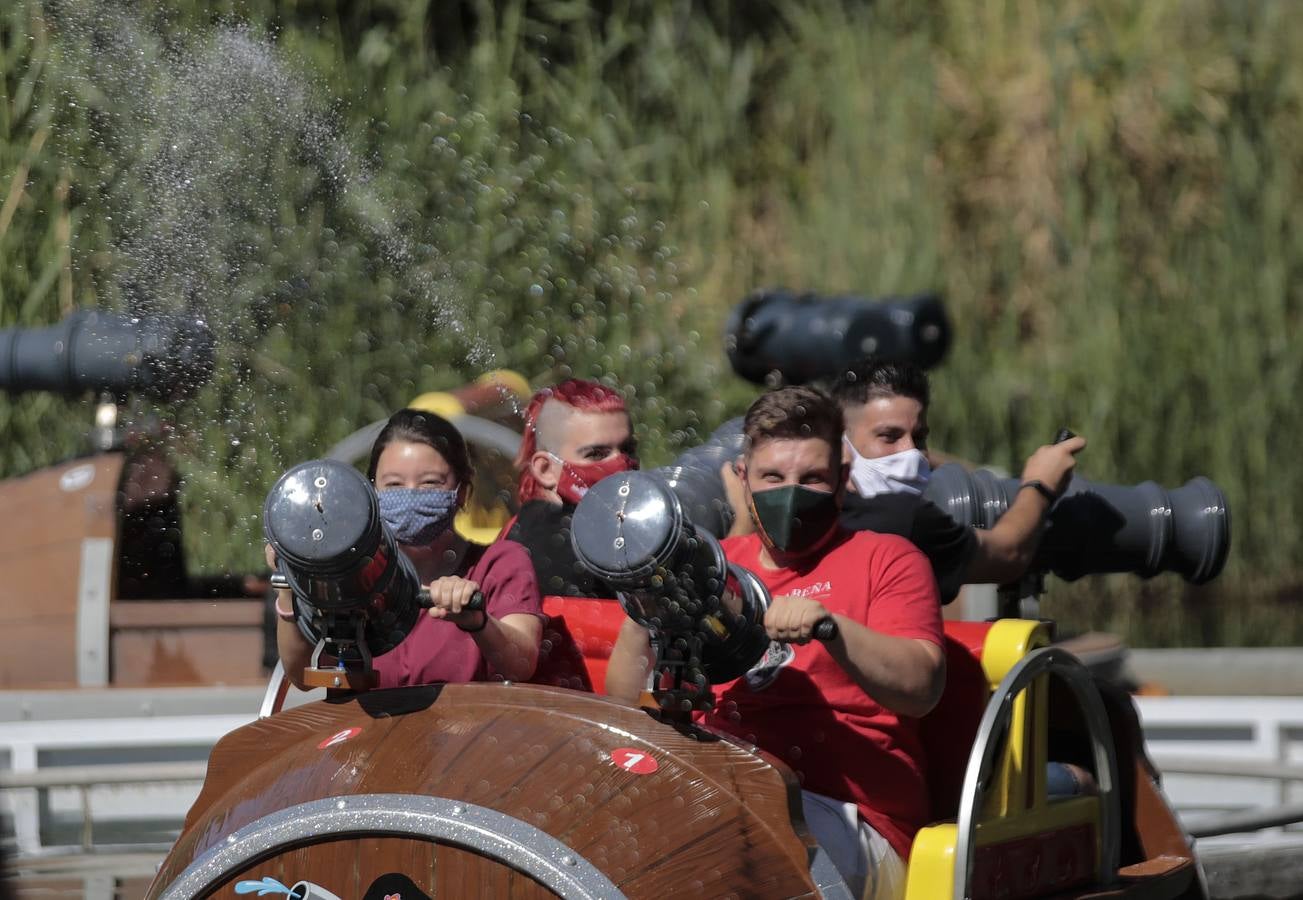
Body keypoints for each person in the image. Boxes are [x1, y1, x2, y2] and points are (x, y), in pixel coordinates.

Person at [607, 386, 944, 900]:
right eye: (772, 477)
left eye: (812, 478)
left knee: (723, 857)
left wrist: (830, 628)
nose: (792, 492)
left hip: (851, 818)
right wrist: (644, 607)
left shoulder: (888, 559)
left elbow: (921, 687)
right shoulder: (713, 563)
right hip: (718, 796)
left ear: (842, 481)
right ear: (743, 480)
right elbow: (621, 705)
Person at [272, 408, 543, 689]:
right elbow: (302, 678)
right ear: (371, 492)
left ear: (461, 492)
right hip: (368, 730)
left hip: (465, 729)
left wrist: (478, 622)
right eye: (394, 485)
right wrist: (290, 584)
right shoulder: (348, 572)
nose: (410, 493)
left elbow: (522, 665)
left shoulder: (499, 563)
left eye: (429, 483)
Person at [831, 358, 1086, 603]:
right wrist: (1040, 485)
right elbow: (1009, 553)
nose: (910, 453)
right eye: (889, 436)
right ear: (841, 445)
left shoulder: (815, 507)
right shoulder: (906, 521)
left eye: (919, 438)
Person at [505, 378, 639, 597]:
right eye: (596, 454)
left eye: (628, 449)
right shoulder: (572, 540)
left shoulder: (517, 525)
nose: (622, 465)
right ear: (546, 469)